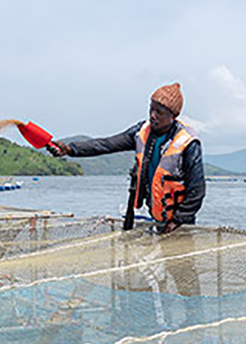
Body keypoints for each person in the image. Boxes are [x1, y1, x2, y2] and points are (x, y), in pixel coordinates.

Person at [49, 83, 205, 234]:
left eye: (159, 112)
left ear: (173, 116)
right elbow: (106, 144)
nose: (153, 116)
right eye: (151, 109)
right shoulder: (141, 132)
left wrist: (177, 220)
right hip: (155, 216)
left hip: (180, 224)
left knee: (179, 260)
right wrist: (70, 149)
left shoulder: (188, 143)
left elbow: (197, 190)